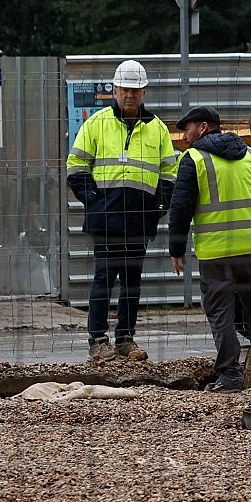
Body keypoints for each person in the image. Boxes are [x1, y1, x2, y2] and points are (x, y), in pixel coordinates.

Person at [66, 59, 177, 363]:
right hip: (106, 219)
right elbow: (75, 167)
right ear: (114, 91)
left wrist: (158, 207)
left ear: (144, 93)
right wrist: (94, 201)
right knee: (104, 277)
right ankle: (98, 341)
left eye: (135, 90)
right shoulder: (97, 123)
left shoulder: (157, 129)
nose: (129, 95)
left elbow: (169, 173)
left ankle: (125, 338)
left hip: (140, 219)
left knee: (132, 280)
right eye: (124, 89)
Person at [166, 106, 251, 393]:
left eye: (186, 129)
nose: (184, 136)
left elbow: (181, 208)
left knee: (220, 313)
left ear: (202, 127)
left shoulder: (194, 159)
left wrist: (176, 248)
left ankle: (231, 377)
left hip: (216, 253)